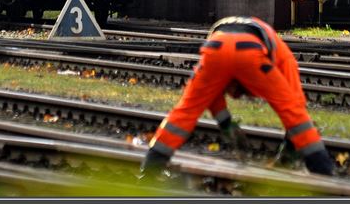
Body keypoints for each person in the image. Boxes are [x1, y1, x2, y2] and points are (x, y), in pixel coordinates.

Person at [140, 15, 335, 177]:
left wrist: (225, 123)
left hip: (214, 47)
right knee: (292, 110)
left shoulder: (224, 45)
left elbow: (209, 96)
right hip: (250, 51)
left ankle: (150, 168)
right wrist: (291, 148)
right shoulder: (285, 58)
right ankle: (322, 169)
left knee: (186, 110)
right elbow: (295, 106)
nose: (237, 95)